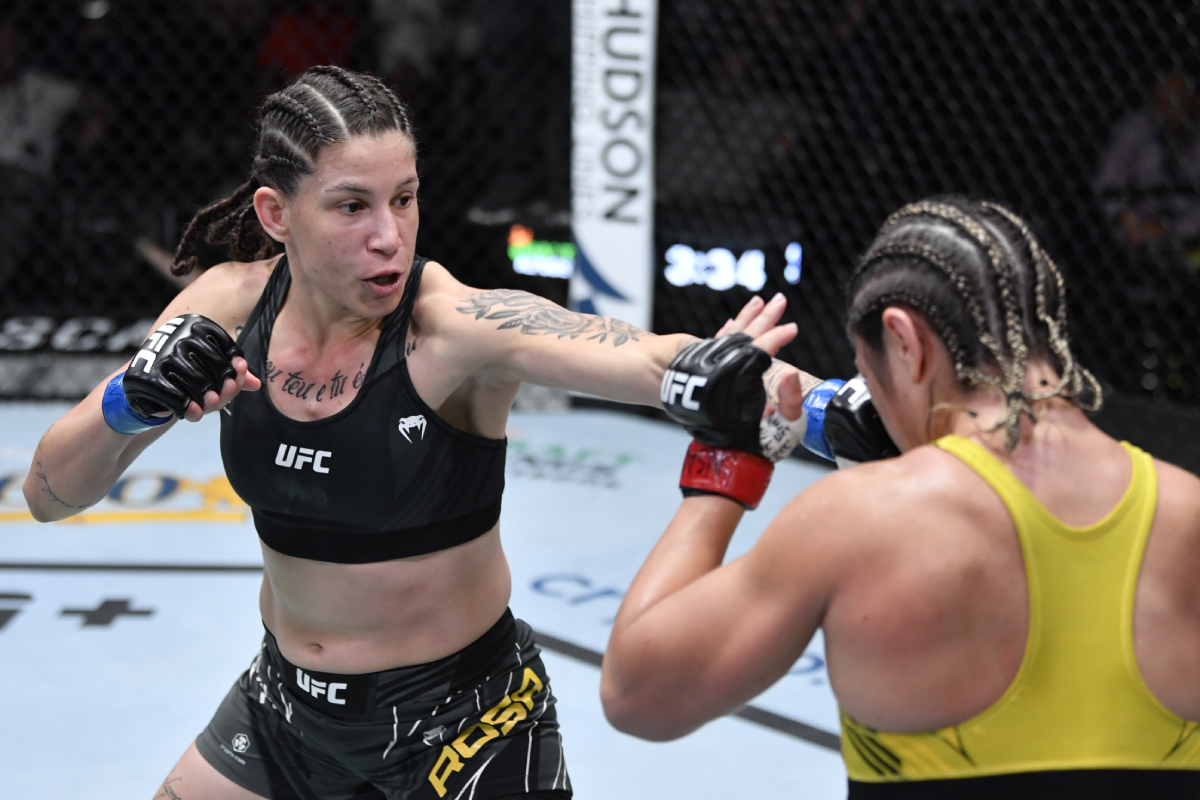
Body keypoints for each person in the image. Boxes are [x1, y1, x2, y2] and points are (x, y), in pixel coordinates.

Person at [23, 65, 805, 800]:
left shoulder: (452, 329)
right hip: (284, 711)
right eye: (352, 206)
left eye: (404, 198)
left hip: (465, 722)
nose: (390, 235)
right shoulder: (228, 305)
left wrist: (725, 373)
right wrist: (129, 403)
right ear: (275, 214)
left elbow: (635, 354)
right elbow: (48, 494)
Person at [601, 197, 1200, 797]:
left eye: (870, 375)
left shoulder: (860, 519)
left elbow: (639, 693)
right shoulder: (1187, 510)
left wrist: (728, 452)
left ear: (904, 341)